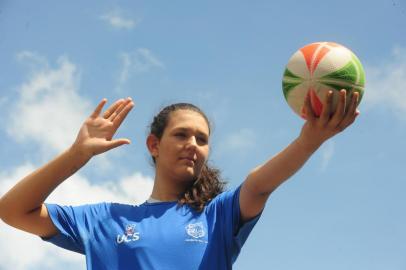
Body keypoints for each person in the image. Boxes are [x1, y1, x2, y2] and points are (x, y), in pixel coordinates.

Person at [0, 89, 359, 269]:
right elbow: (13, 210)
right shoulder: (104, 220)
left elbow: (260, 184)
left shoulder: (217, 217)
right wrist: (76, 156)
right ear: (154, 144)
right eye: (182, 135)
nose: (193, 145)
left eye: (202, 139)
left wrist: (309, 140)